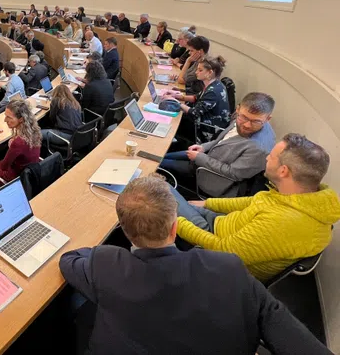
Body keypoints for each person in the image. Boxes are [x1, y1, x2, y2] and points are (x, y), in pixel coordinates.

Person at [60, 176, 333, 355]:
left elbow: (69, 260)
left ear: (124, 230)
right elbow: (289, 331)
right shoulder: (229, 268)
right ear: (175, 228)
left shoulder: (108, 263)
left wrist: (100, 252)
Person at [175, 133, 340, 283]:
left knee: (164, 192)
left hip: (218, 251)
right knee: (169, 196)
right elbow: (253, 201)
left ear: (283, 171)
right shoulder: (301, 198)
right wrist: (208, 203)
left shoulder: (283, 222)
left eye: (272, 156)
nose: (267, 158)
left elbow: (224, 251)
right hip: (222, 224)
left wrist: (175, 221)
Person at [162, 92, 276, 197]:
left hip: (210, 175)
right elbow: (222, 140)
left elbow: (233, 173)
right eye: (244, 117)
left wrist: (200, 158)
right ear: (238, 109)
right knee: (162, 156)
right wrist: (204, 147)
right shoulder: (238, 118)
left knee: (160, 163)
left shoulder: (259, 148)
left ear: (268, 119)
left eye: (256, 121)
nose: (247, 125)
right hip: (208, 156)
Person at [164, 55, 231, 142]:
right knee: (174, 111)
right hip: (204, 121)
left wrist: (176, 102)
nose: (196, 72)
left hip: (207, 129)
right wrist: (178, 96)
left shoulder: (213, 91)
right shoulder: (214, 84)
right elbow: (196, 97)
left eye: (200, 70)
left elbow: (195, 113)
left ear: (210, 72)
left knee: (172, 117)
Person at [0, 100, 41, 187]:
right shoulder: (34, 130)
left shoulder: (18, 142)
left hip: (16, 177)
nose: (5, 120)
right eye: (5, 116)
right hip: (31, 171)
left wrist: (12, 147)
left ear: (21, 119)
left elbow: (4, 167)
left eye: (9, 117)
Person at [41, 84, 83, 148]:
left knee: (37, 134)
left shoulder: (57, 101)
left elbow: (52, 118)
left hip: (64, 135)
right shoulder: (75, 103)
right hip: (77, 134)